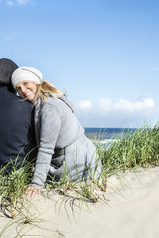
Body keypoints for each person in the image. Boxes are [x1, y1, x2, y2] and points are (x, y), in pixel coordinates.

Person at [11, 66, 102, 197]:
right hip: (83, 155)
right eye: (18, 88)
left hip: (78, 164)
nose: (23, 91)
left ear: (36, 82)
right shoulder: (41, 102)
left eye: (25, 83)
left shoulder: (49, 107)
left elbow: (46, 148)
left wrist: (36, 183)